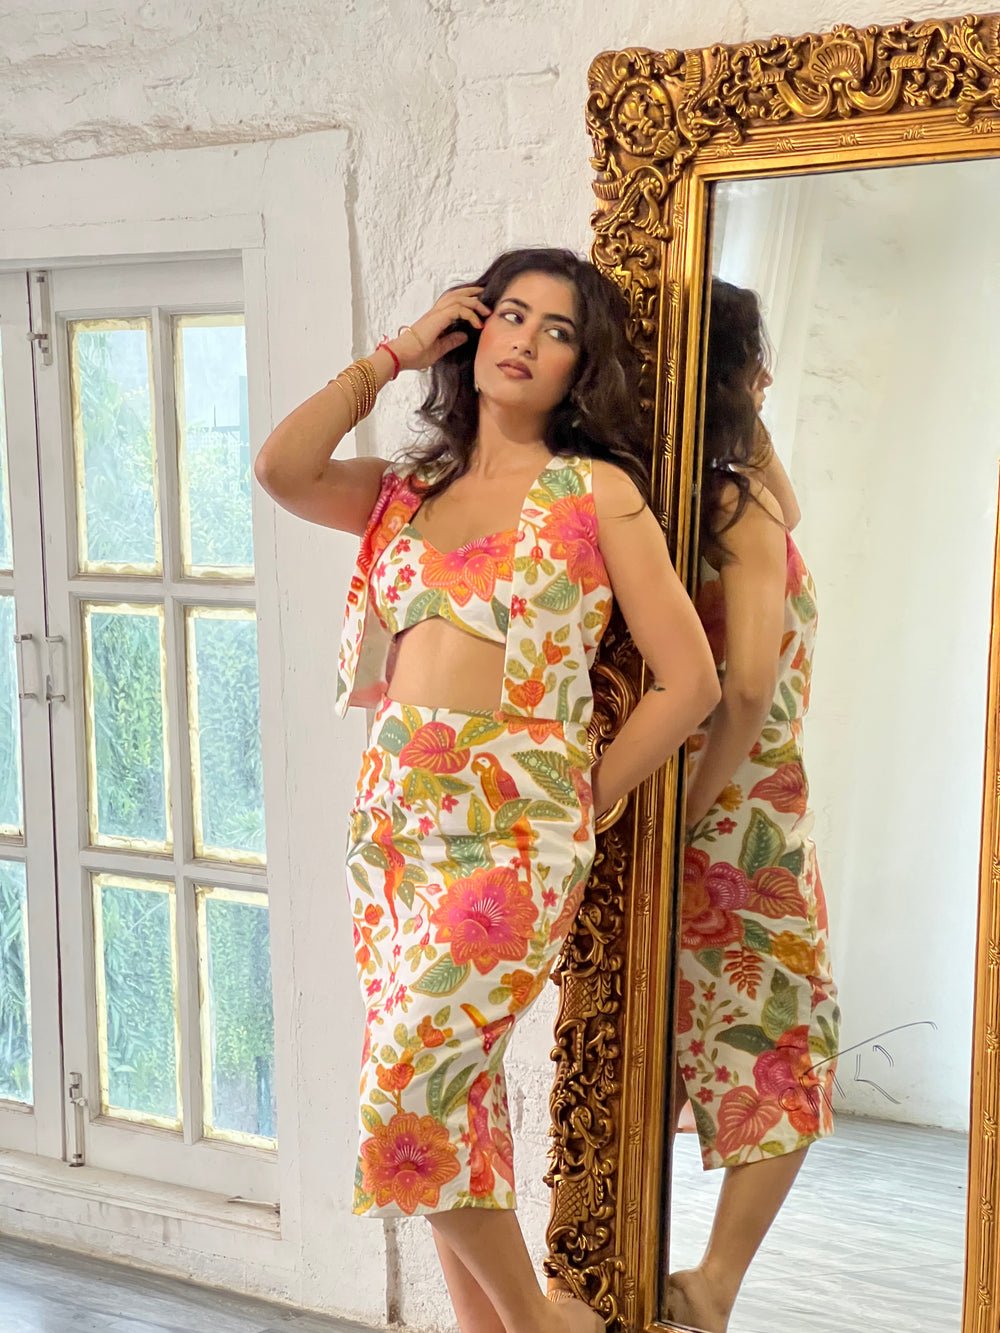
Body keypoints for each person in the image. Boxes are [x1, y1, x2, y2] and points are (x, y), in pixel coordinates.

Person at [254, 247, 720, 1333]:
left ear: (579, 368)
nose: (526, 340)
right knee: (451, 1096)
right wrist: (395, 352)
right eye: (510, 314)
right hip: (396, 830)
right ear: (473, 332)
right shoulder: (404, 490)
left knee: (405, 1089)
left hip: (514, 836)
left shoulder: (597, 494)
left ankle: (543, 1324)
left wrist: (582, 792)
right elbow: (280, 466)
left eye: (558, 331)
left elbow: (690, 680)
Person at [666, 280, 840, 1333]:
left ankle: (648, 1265)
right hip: (739, 806)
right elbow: (746, 690)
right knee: (787, 1045)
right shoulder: (734, 503)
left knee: (667, 1040)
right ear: (737, 375)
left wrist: (741, 407)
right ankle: (713, 1285)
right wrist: (700, 812)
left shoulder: (667, 493)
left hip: (702, 794)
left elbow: (795, 513)